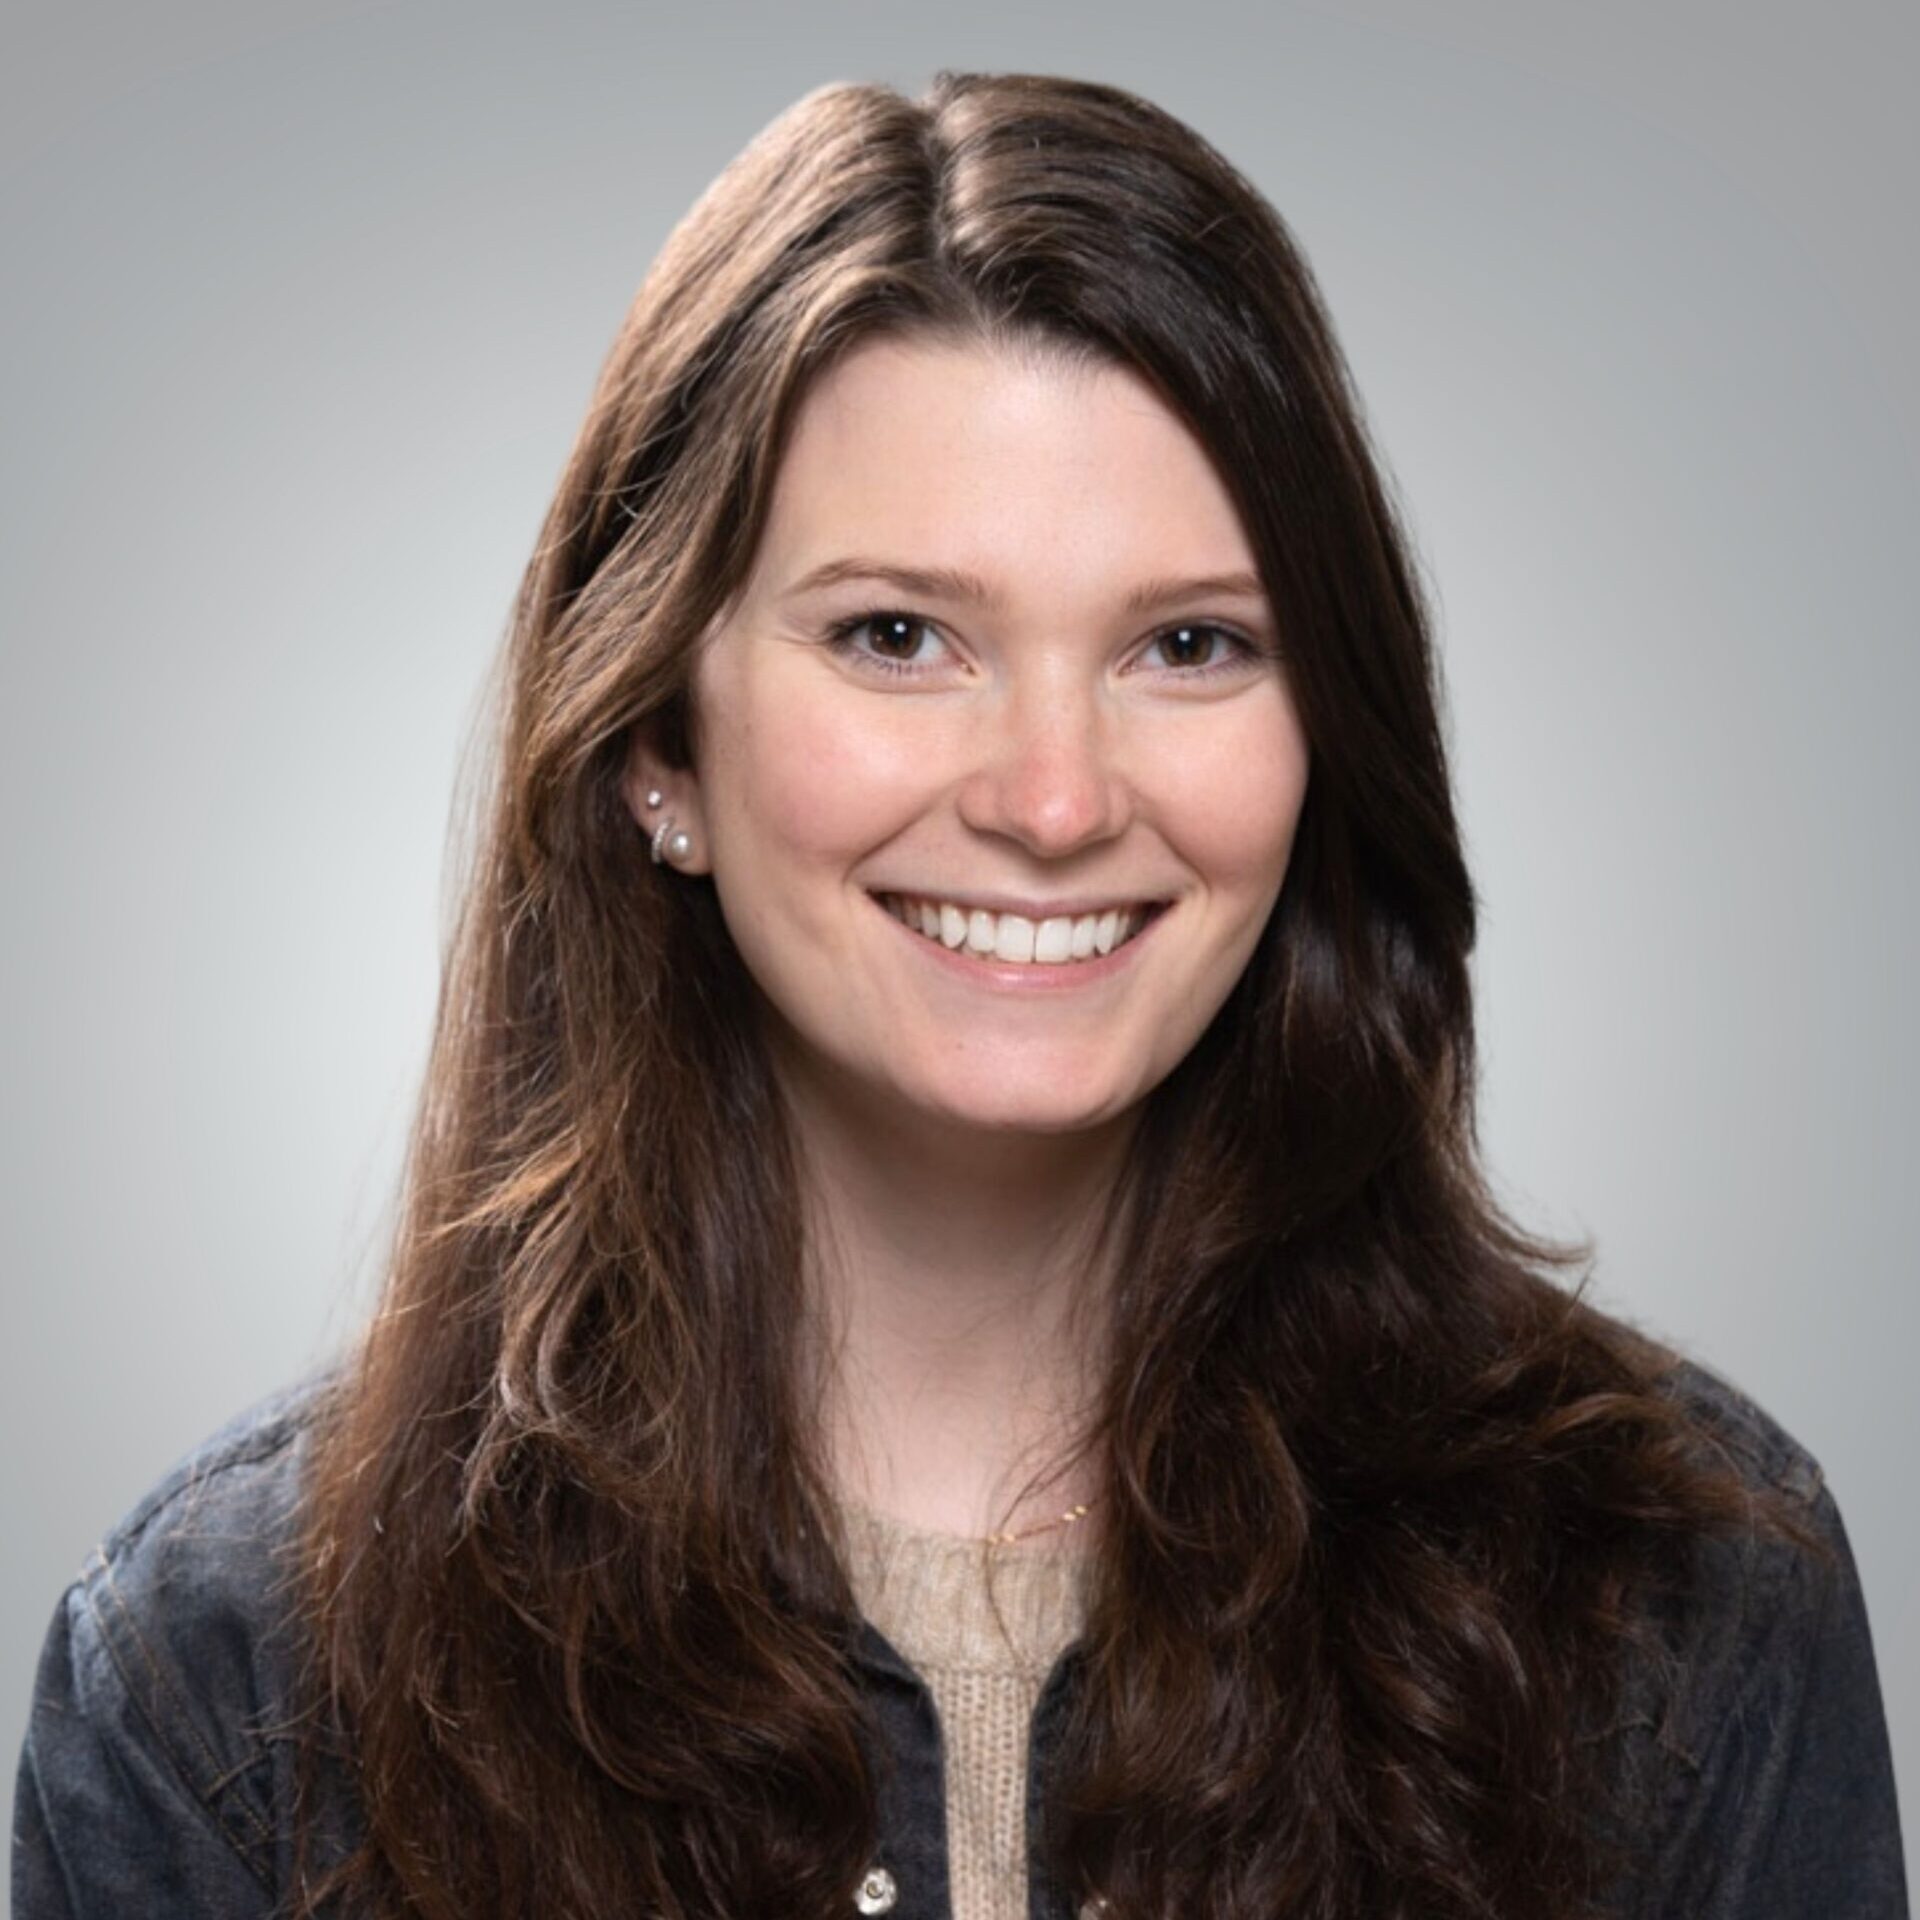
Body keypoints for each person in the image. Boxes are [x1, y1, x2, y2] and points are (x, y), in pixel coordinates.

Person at [11, 69, 1907, 1920]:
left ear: (1331, 731)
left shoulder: (1684, 1615)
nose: (1057, 800)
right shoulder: (224, 1692)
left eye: (1189, 644)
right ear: (658, 736)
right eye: (899, 637)